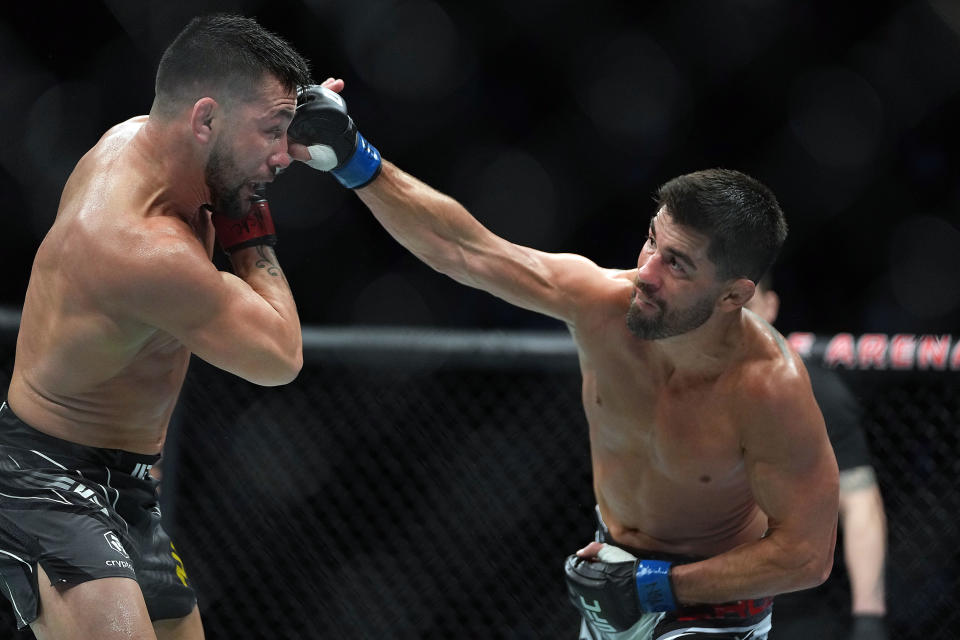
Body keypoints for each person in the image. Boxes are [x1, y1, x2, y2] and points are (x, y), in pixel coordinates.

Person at [284, 86, 840, 639]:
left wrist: (660, 586)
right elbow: (467, 250)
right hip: (608, 582)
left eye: (677, 264)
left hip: (713, 610)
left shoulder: (768, 388)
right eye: (651, 243)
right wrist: (354, 158)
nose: (645, 273)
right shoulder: (600, 303)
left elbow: (807, 555)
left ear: (733, 296)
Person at [0, 14, 318, 640]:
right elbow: (279, 356)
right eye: (273, 133)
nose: (283, 156)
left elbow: (235, 149)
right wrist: (250, 220)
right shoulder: (141, 248)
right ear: (204, 121)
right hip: (44, 481)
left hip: (128, 487)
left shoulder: (138, 143)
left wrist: (276, 127)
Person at [747, 277, 889, 640]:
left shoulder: (814, 391)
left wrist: (869, 618)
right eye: (724, 300)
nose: (735, 313)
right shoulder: (678, 388)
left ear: (770, 306)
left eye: (745, 300)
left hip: (793, 609)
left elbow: (859, 503)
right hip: (692, 600)